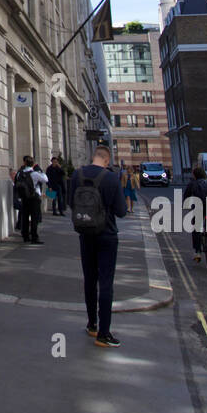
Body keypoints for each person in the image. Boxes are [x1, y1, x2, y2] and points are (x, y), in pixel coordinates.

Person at [68, 143, 127, 348]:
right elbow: (121, 211)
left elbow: (70, 203)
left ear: (93, 157)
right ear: (107, 160)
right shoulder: (111, 178)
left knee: (89, 279)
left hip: (85, 233)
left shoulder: (77, 175)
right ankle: (104, 333)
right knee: (106, 282)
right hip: (107, 235)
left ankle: (92, 323)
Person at [183, 164, 207, 262]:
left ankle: (197, 252)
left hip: (199, 207)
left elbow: (186, 197)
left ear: (194, 175)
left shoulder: (192, 184)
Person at [12, 156, 44, 244]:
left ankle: (25, 235)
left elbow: (16, 182)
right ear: (33, 164)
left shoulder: (20, 173)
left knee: (24, 216)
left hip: (24, 197)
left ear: (24, 163)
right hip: (34, 197)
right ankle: (34, 237)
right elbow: (45, 179)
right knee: (34, 217)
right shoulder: (35, 173)